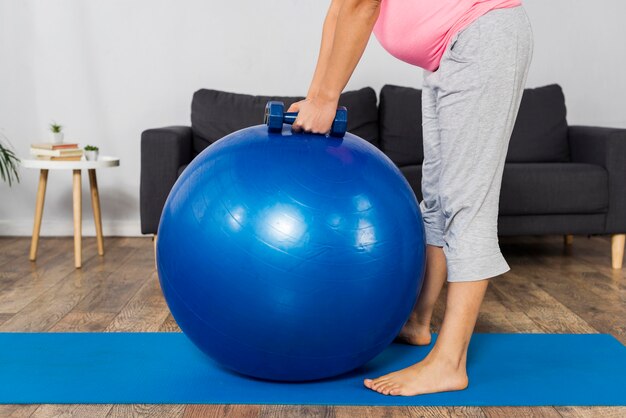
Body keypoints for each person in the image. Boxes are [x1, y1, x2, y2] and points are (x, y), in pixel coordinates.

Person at [289, 0, 533, 396]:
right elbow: (339, 10)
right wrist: (317, 94)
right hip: (447, 54)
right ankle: (418, 322)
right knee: (436, 199)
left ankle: (449, 364)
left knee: (466, 204)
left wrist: (327, 98)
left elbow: (360, 5)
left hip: (481, 37)